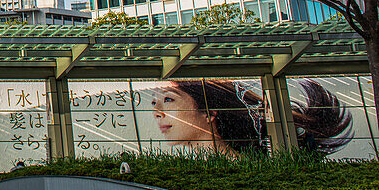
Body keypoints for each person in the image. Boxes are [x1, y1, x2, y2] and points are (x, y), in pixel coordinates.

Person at [150, 79, 352, 156]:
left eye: (168, 100)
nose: (157, 112)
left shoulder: (238, 166)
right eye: (153, 103)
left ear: (209, 113)